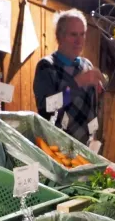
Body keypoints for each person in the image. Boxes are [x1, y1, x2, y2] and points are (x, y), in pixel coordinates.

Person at [33, 9, 104, 143]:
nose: (79, 41)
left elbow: (93, 106)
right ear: (59, 36)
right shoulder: (47, 66)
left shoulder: (87, 64)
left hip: (87, 145)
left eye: (82, 34)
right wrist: (76, 83)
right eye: (73, 34)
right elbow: (46, 108)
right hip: (58, 146)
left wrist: (101, 90)